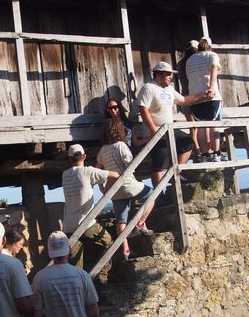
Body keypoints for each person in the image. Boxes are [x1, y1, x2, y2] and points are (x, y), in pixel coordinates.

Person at [135, 61, 211, 187]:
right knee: (159, 162)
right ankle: (159, 194)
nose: (171, 77)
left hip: (169, 129)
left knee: (188, 143)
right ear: (158, 76)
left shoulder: (169, 89)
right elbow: (143, 109)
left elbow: (184, 100)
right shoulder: (149, 88)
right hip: (155, 131)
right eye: (168, 74)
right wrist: (154, 131)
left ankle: (173, 174)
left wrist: (203, 95)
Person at [97, 117, 154, 260]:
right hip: (128, 185)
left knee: (121, 220)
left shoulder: (102, 151)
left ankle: (126, 250)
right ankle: (140, 224)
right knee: (152, 195)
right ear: (119, 130)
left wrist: (101, 187)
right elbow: (130, 165)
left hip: (114, 190)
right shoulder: (121, 146)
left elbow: (98, 170)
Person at [62, 143, 119, 271]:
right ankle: (102, 276)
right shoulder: (88, 171)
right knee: (108, 242)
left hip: (68, 226)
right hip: (86, 223)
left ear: (70, 159)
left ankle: (81, 286)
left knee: (76, 264)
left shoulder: (64, 175)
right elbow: (115, 175)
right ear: (85, 156)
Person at [186, 36, 226, 162]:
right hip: (211, 97)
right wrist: (211, 87)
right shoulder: (211, 55)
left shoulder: (190, 60)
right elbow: (214, 68)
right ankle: (216, 153)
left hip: (195, 98)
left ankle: (204, 155)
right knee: (214, 125)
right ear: (210, 46)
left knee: (202, 127)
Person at [177, 40, 203, 161]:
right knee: (197, 126)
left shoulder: (181, 63)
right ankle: (200, 152)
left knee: (193, 126)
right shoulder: (192, 63)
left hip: (184, 98)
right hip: (193, 97)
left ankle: (198, 151)